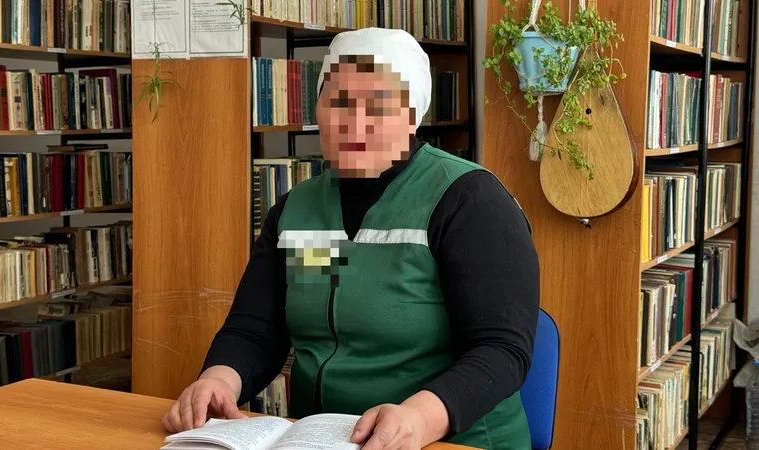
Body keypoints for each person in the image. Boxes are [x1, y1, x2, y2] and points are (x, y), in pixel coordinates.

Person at [162, 27, 540, 450]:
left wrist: (418, 418)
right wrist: (218, 380)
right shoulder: (296, 210)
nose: (354, 123)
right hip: (322, 439)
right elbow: (257, 330)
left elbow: (500, 350)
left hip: (451, 440)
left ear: (412, 116)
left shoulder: (470, 200)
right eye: (339, 102)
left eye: (378, 105)